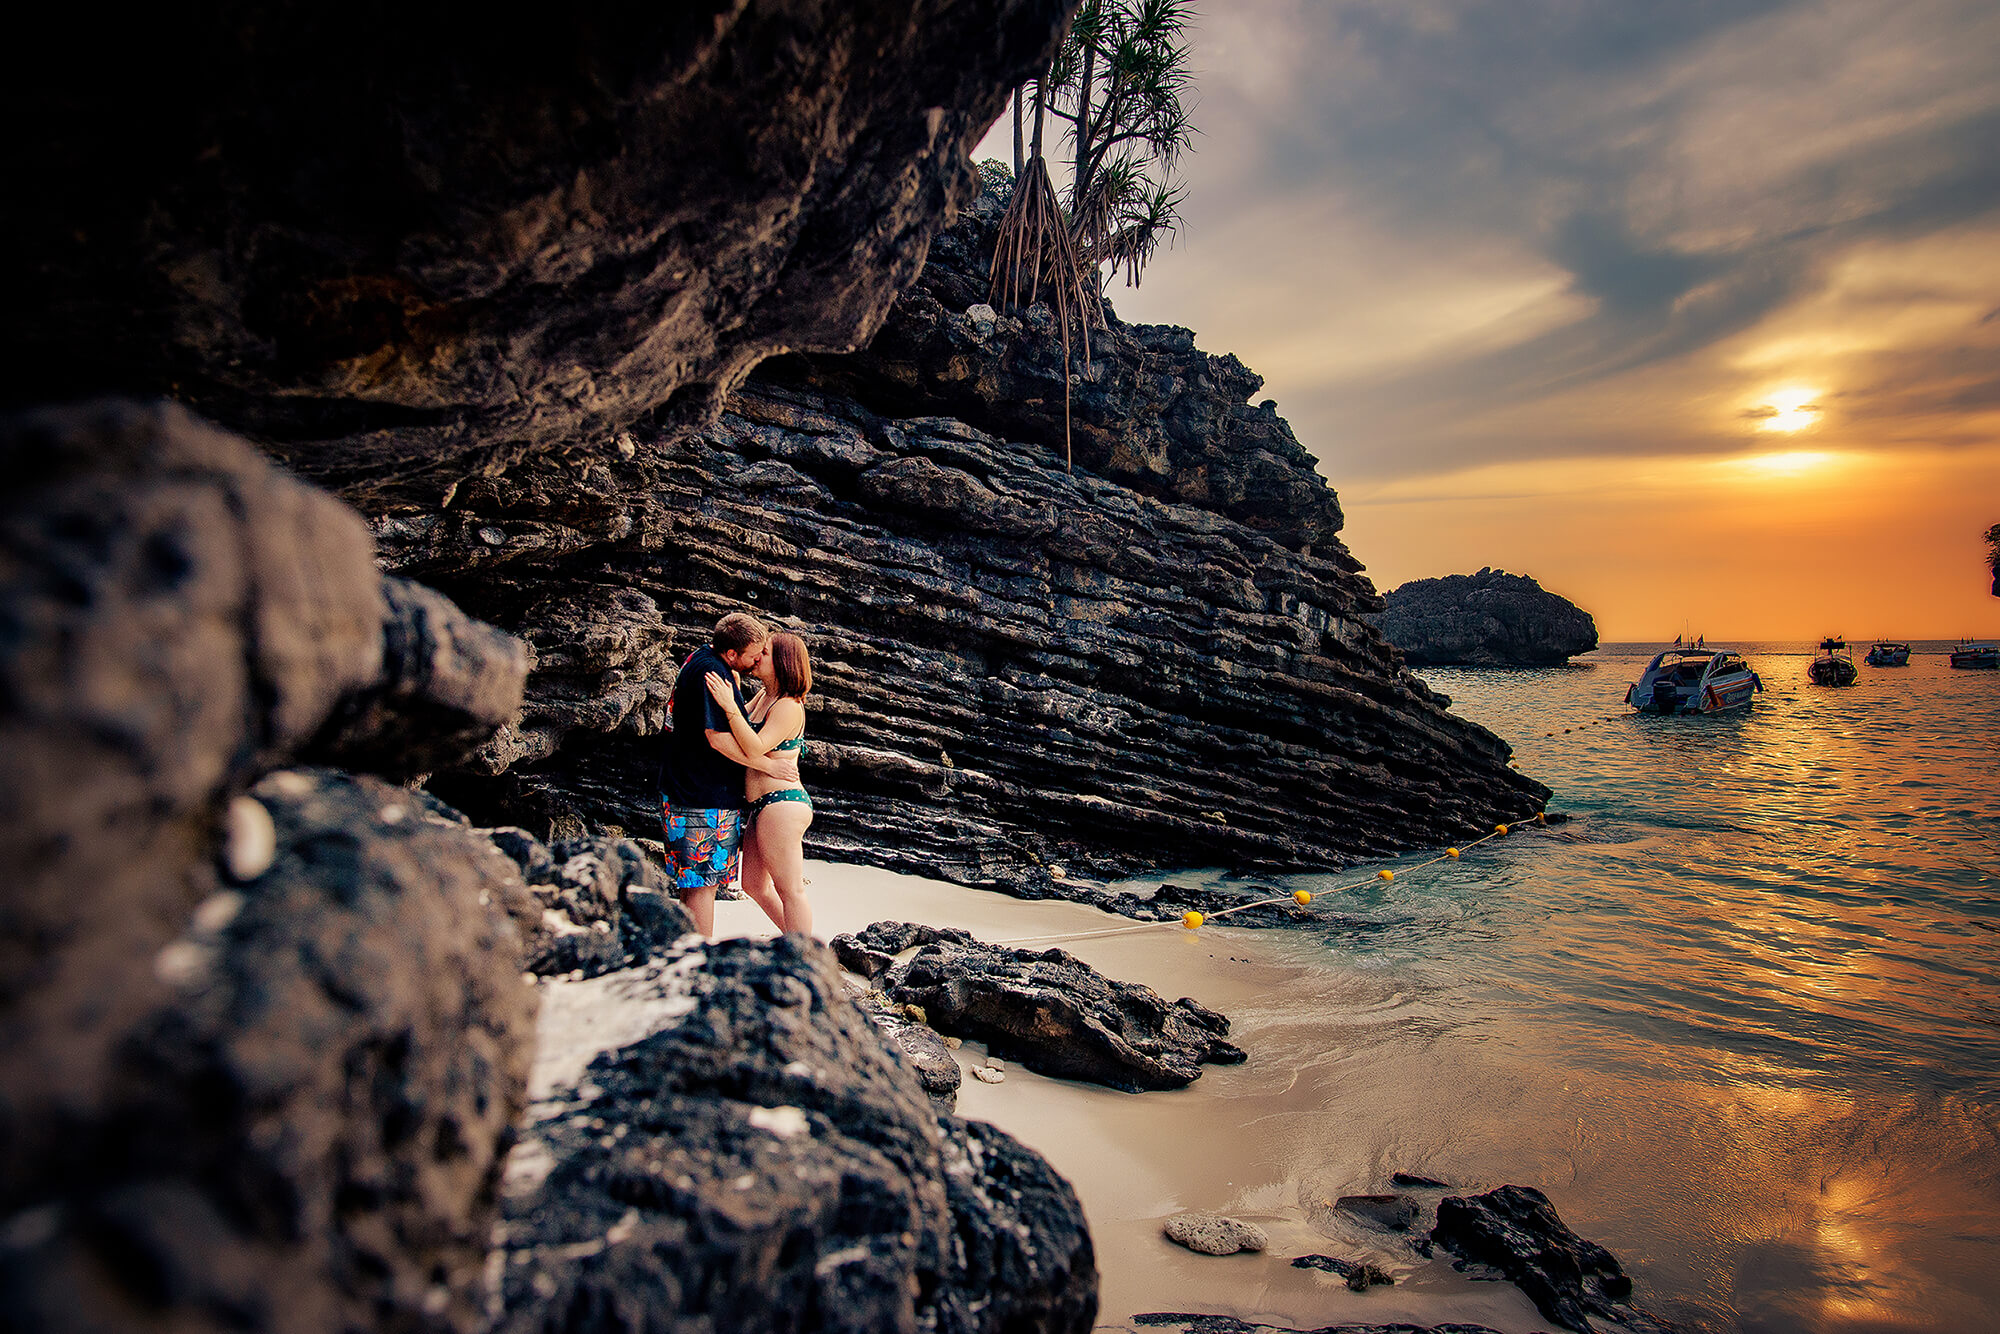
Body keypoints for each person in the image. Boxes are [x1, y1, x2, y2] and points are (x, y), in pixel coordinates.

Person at [658, 612, 794, 935]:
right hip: (702, 798)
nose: (760, 658)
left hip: (685, 790)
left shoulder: (704, 658)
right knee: (703, 885)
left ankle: (687, 955)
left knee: (692, 884)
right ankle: (700, 960)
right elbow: (716, 737)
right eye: (755, 654)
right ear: (732, 653)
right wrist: (768, 765)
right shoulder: (711, 672)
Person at [705, 630, 815, 936]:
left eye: (764, 653)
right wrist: (735, 692)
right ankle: (800, 944)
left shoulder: (788, 706)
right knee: (753, 884)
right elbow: (741, 724)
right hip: (761, 806)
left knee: (790, 889)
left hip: (783, 804)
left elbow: (753, 746)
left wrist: (728, 705)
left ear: (782, 661)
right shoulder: (765, 696)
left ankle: (805, 956)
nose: (757, 657)